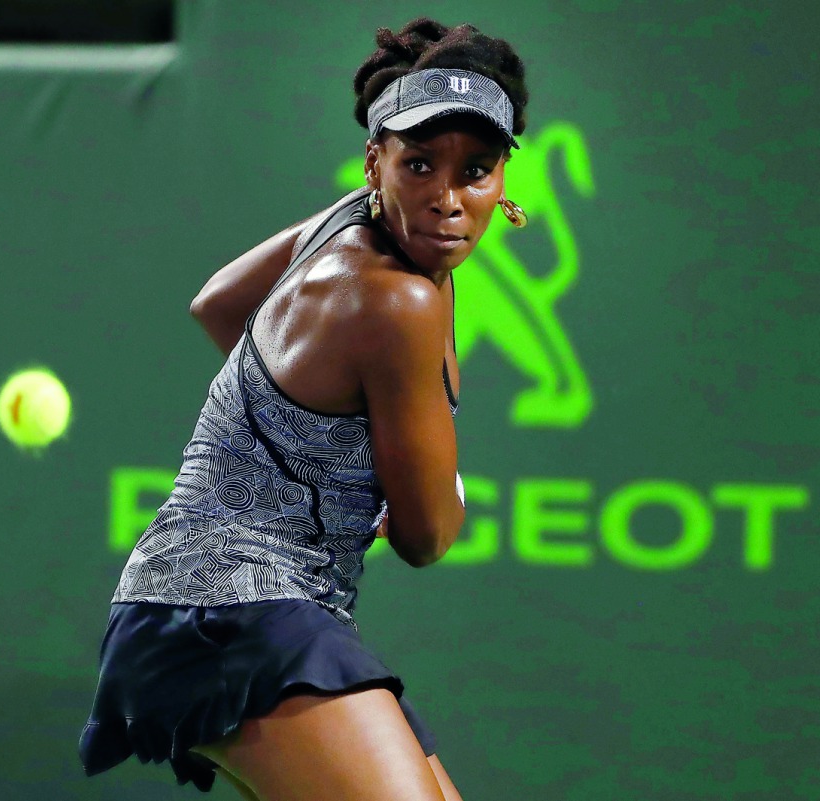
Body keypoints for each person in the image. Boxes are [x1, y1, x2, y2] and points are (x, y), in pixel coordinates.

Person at [77, 17, 529, 801]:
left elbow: (219, 304)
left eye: (476, 171)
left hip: (237, 607)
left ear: (502, 183)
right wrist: (432, 488)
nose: (447, 199)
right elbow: (424, 538)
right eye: (419, 164)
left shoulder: (347, 220)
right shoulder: (398, 301)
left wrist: (310, 434)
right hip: (223, 612)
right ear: (374, 160)